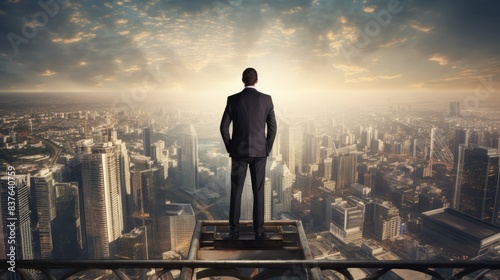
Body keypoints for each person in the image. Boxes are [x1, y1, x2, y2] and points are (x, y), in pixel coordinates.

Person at [220, 67, 277, 239]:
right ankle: (259, 231)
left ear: (242, 80)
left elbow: (223, 128)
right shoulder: (266, 100)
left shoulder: (233, 100)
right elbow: (273, 129)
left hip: (239, 152)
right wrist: (265, 148)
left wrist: (232, 148)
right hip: (260, 153)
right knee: (258, 191)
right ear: (256, 80)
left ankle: (234, 230)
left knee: (236, 191)